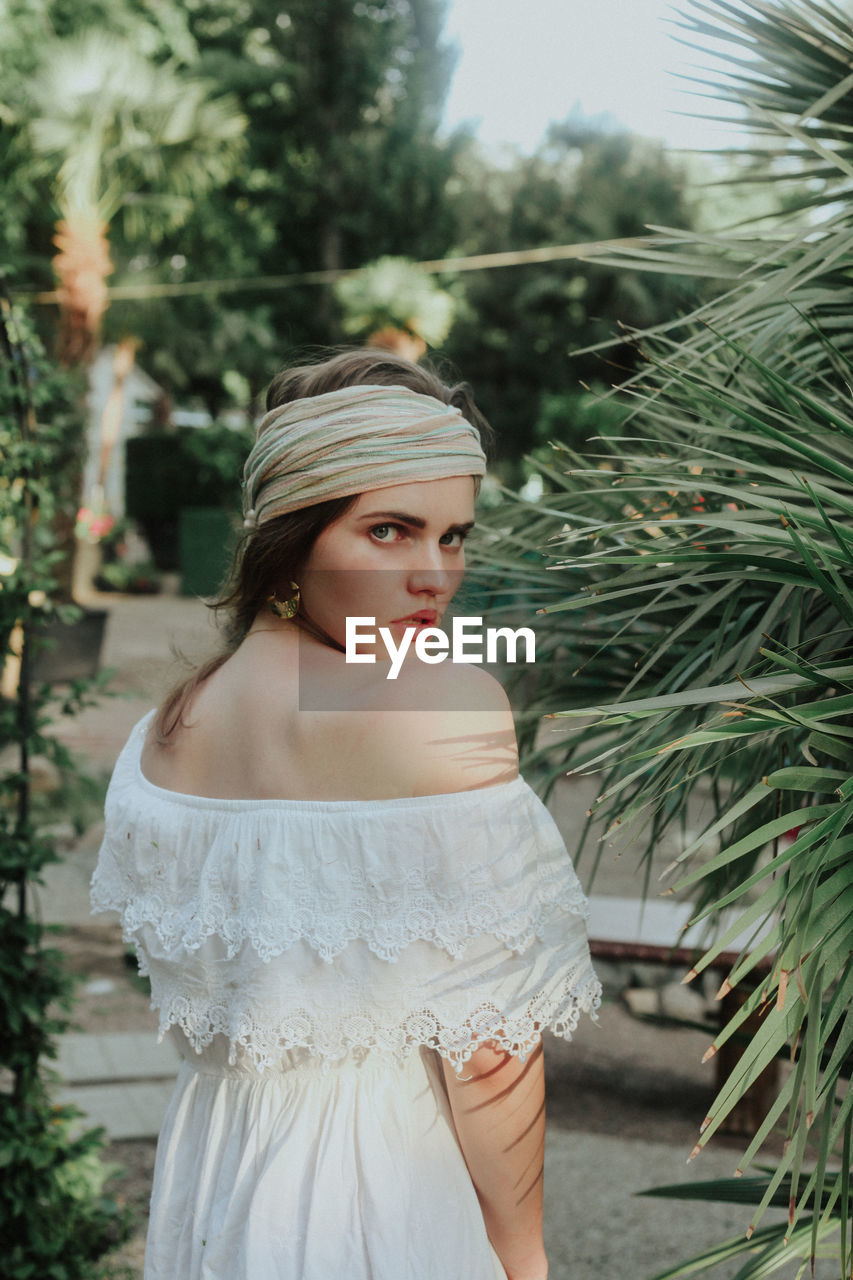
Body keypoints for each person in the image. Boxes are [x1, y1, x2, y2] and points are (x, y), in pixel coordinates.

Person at [91, 348, 601, 1280]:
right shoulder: (444, 709)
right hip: (385, 1187)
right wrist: (523, 1256)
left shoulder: (163, 733)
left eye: (453, 536)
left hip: (215, 1177)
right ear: (292, 533)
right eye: (389, 531)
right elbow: (488, 1052)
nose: (434, 576)